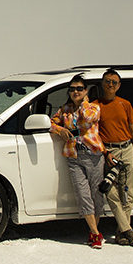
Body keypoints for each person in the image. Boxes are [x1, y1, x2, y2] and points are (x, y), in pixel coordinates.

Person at [49, 73, 108, 248]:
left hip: (93, 155)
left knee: (96, 194)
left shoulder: (93, 107)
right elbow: (51, 123)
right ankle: (96, 233)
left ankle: (93, 232)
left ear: (86, 91)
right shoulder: (64, 110)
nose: (75, 92)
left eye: (79, 89)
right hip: (74, 156)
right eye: (72, 89)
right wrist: (60, 130)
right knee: (82, 195)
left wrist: (83, 103)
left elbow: (89, 118)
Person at [97, 68, 133, 246]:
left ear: (119, 85)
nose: (111, 85)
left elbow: (132, 130)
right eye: (108, 81)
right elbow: (94, 134)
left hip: (127, 149)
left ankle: (121, 232)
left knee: (128, 194)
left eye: (114, 82)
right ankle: (128, 231)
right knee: (111, 191)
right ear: (103, 83)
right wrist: (106, 153)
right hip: (109, 152)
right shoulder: (96, 106)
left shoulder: (125, 104)